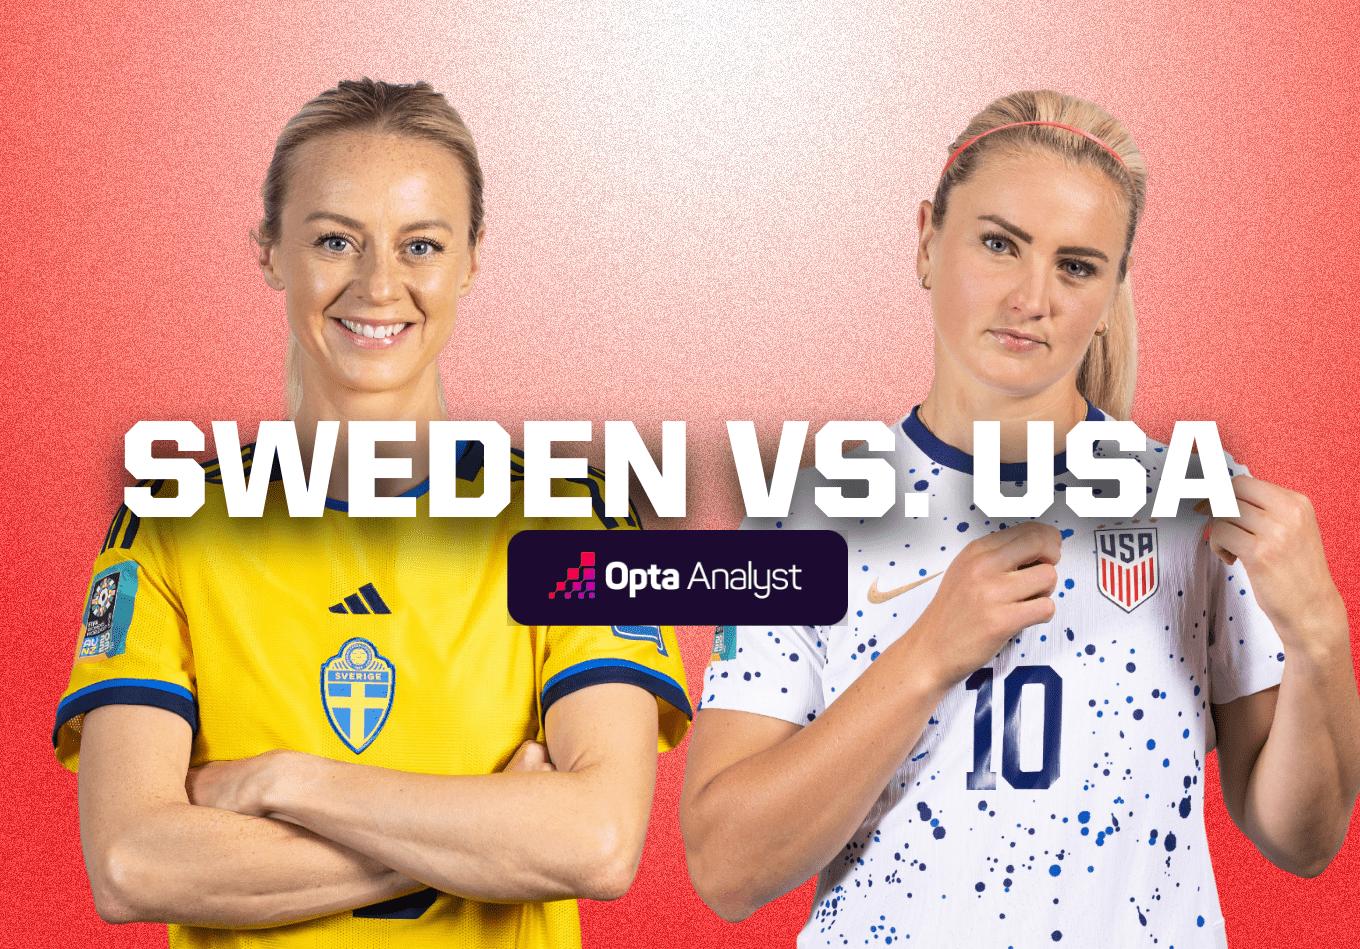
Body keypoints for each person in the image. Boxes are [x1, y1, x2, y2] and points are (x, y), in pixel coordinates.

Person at [681, 89, 1358, 947]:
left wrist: (1321, 634)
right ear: (927, 240)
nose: (1032, 296)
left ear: (1113, 290)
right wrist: (929, 653)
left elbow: (1302, 838)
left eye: (1077, 265)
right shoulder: (807, 520)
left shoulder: (1195, 501)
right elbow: (726, 868)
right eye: (1000, 244)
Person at [54, 78, 691, 949]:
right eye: (335, 240)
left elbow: (598, 842)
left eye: (420, 244)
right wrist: (486, 829)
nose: (380, 284)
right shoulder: (170, 521)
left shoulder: (573, 517)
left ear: (472, 259)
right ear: (272, 252)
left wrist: (291, 782)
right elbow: (133, 862)